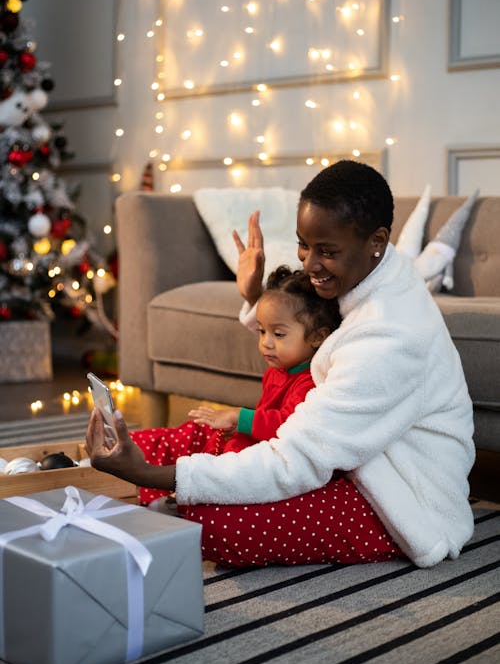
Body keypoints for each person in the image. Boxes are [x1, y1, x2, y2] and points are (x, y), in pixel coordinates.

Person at [86, 160, 475, 569]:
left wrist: (149, 476)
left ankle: (150, 491)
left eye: (326, 251)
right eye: (303, 244)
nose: (309, 264)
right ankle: (131, 476)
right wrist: (254, 297)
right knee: (187, 439)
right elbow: (312, 326)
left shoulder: (389, 338)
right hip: (344, 454)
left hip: (397, 495)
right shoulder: (370, 269)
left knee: (212, 521)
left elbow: (294, 460)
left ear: (376, 240)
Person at [131, 264, 340, 507]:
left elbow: (287, 425)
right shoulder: (279, 370)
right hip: (252, 441)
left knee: (227, 460)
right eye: (262, 331)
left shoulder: (309, 383)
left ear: (317, 337)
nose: (265, 343)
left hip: (268, 456)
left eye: (278, 335)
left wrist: (239, 418)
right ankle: (131, 453)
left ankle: (178, 499)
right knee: (193, 433)